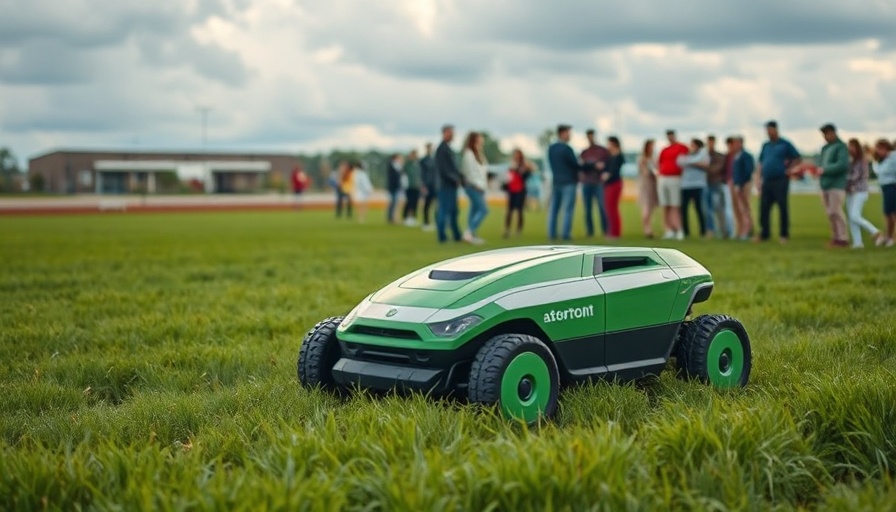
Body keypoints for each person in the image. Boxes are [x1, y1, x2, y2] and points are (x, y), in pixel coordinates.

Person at [756, 120, 801, 243]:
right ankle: (764, 233)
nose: (768, 133)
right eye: (767, 130)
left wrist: (790, 170)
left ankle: (784, 234)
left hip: (780, 180)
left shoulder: (785, 144)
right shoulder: (765, 145)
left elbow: (797, 158)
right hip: (767, 180)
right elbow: (761, 162)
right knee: (764, 208)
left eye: (770, 130)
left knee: (782, 207)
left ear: (776, 129)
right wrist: (758, 178)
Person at [547, 124, 593, 241]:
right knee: (567, 209)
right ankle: (565, 234)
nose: (570, 135)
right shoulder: (567, 149)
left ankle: (552, 233)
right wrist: (591, 165)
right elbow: (576, 165)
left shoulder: (551, 148)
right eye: (568, 133)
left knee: (554, 210)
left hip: (556, 181)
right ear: (562, 133)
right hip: (569, 182)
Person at [844, 138, 882, 248]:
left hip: (860, 191)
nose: (850, 148)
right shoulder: (850, 160)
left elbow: (855, 177)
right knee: (851, 218)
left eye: (853, 146)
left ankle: (874, 231)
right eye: (849, 146)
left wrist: (843, 180)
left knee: (855, 215)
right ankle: (857, 242)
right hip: (850, 191)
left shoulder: (862, 161)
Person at [657, 129, 689, 240]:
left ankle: (678, 229)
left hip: (675, 178)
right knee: (665, 205)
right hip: (663, 177)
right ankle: (668, 229)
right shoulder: (664, 150)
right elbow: (659, 163)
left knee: (675, 205)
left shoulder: (682, 148)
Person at [435, 124, 464, 243]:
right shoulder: (442, 149)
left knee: (453, 211)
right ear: (444, 133)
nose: (452, 135)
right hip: (446, 186)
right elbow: (445, 169)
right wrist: (456, 179)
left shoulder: (447, 148)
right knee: (444, 211)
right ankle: (442, 236)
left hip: (450, 185)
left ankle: (456, 235)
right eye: (450, 132)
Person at [580, 129, 610, 237]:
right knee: (587, 209)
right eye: (588, 136)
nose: (590, 138)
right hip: (587, 182)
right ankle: (590, 231)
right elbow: (582, 166)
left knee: (602, 207)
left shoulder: (602, 151)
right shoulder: (584, 152)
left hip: (598, 182)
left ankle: (605, 230)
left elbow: (607, 164)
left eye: (591, 136)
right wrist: (594, 165)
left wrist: (600, 168)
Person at [676, 138, 709, 238]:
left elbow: (705, 164)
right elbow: (679, 161)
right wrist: (693, 162)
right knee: (684, 209)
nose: (691, 147)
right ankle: (686, 232)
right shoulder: (686, 155)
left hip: (698, 185)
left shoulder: (703, 154)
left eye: (693, 145)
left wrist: (690, 162)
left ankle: (703, 231)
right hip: (685, 186)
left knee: (699, 209)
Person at [461, 131, 489, 244]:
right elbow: (469, 172)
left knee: (474, 210)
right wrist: (476, 184)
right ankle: (469, 232)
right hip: (473, 186)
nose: (482, 140)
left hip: (480, 186)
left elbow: (483, 170)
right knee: (483, 210)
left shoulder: (478, 153)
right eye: (480, 138)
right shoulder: (469, 154)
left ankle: (471, 234)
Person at [701, 135, 729, 238]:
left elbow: (716, 169)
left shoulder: (720, 156)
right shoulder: (704, 156)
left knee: (719, 208)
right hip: (706, 184)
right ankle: (710, 230)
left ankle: (723, 231)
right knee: (706, 209)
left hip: (716, 184)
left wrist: (703, 166)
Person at [504, 148, 534, 237]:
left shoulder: (524, 166)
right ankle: (507, 230)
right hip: (512, 189)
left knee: (519, 210)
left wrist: (522, 170)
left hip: (520, 189)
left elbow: (528, 175)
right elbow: (508, 177)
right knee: (509, 210)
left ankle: (518, 230)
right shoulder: (511, 165)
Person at [730, 136, 755, 240]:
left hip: (744, 185)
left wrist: (740, 184)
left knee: (744, 208)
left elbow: (748, 171)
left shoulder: (746, 156)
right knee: (738, 209)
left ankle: (747, 229)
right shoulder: (736, 156)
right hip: (737, 184)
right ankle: (740, 230)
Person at [873, 138, 896, 247]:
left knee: (891, 213)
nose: (879, 151)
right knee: (888, 214)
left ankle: (890, 237)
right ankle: (888, 236)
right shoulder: (880, 161)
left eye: (882, 148)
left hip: (892, 186)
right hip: (885, 188)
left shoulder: (893, 157)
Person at [603, 136, 625, 239]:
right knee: (609, 208)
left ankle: (615, 233)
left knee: (612, 208)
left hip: (614, 184)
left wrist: (607, 175)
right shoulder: (610, 156)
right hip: (609, 184)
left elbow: (614, 171)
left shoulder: (618, 156)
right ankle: (612, 231)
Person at [637, 139, 659, 238]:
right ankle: (647, 229)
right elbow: (645, 172)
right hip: (647, 185)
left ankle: (648, 228)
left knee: (650, 207)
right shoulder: (643, 159)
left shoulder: (652, 158)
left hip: (652, 184)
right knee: (647, 207)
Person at [419, 143, 437, 231]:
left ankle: (437, 222)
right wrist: (423, 185)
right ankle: (426, 222)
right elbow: (421, 174)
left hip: (435, 185)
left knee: (437, 205)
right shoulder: (423, 160)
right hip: (427, 185)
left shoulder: (435, 159)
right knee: (427, 204)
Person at [402, 149, 422, 226]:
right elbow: (404, 173)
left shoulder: (417, 164)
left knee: (415, 202)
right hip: (409, 186)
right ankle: (406, 217)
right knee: (409, 202)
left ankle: (413, 217)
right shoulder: (408, 164)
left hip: (416, 186)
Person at [385, 153, 403, 224]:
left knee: (393, 203)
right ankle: (391, 218)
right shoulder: (393, 166)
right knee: (393, 203)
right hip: (393, 187)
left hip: (395, 187)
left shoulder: (396, 166)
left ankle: (391, 218)